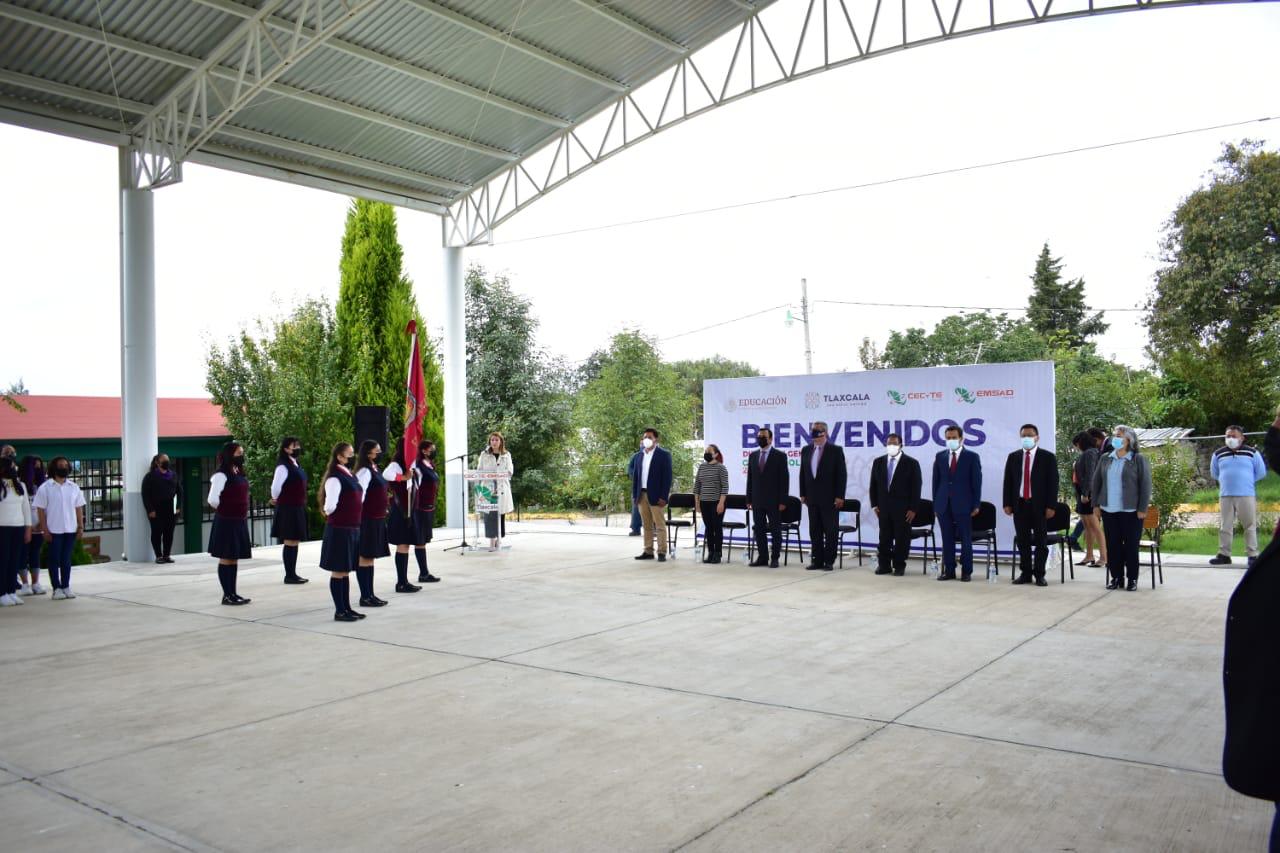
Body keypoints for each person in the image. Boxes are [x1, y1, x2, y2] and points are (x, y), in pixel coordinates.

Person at [1222, 403, 1280, 851]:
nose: (1274, 429)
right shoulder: (1221, 456)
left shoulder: (1250, 456)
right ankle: (1224, 552)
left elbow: (1264, 470)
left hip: (1245, 491)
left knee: (1249, 527)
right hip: (1225, 492)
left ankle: (1250, 552)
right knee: (1227, 527)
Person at [1090, 425, 1152, 592]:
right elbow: (1096, 483)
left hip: (1131, 511)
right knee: (1113, 546)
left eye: (1120, 436)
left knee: (1131, 547)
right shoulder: (1105, 458)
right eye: (1115, 435)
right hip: (1109, 510)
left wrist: (1142, 508)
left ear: (1129, 440)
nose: (1116, 438)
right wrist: (1095, 504)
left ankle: (1132, 579)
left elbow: (1145, 485)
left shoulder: (1138, 459)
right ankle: (1116, 578)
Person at [1002, 424, 1059, 587]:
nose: (1026, 438)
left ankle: (1040, 574)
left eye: (1030, 435)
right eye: (1024, 436)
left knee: (1041, 541)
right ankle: (1025, 573)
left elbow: (1053, 483)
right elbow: (1008, 482)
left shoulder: (1047, 457)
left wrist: (1051, 506)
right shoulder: (1013, 457)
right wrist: (1007, 503)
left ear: (1037, 437)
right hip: (1020, 504)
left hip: (1039, 505)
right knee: (1023, 541)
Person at [1209, 425, 1268, 568]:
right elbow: (1215, 473)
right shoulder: (1218, 454)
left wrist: (1246, 481)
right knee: (1225, 526)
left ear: (1242, 438)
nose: (1230, 439)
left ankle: (1252, 555)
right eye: (1228, 436)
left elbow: (1261, 472)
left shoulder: (1252, 453)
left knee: (1249, 525)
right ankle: (1224, 555)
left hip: (1246, 495)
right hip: (1226, 495)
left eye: (1233, 436)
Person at [318, 443, 365, 622]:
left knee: (345, 571)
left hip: (351, 528)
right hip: (339, 529)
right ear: (339, 456)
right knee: (338, 570)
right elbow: (330, 506)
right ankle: (340, 610)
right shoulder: (335, 478)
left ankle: (347, 608)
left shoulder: (349, 475)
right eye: (349, 454)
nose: (353, 457)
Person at [385, 440, 440, 585]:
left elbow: (416, 484)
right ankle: (402, 582)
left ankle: (409, 579)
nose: (415, 452)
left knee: (408, 543)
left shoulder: (412, 465)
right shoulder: (396, 464)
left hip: (412, 509)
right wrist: (403, 477)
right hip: (402, 510)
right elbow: (386, 474)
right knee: (403, 543)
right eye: (411, 449)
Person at [932, 424, 982, 581]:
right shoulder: (940, 456)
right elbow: (936, 482)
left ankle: (966, 571)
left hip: (964, 504)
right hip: (943, 504)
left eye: (954, 438)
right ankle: (949, 570)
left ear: (961, 439)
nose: (951, 440)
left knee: (966, 538)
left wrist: (976, 504)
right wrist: (935, 504)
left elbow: (977, 483)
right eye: (948, 438)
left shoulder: (972, 457)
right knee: (947, 538)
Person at [33, 455, 86, 600]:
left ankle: (66, 586)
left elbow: (79, 508)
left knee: (66, 560)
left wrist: (80, 527)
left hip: (70, 529)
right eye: (61, 465)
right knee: (54, 559)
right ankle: (56, 588)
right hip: (53, 530)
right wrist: (44, 529)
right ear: (54, 468)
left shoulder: (74, 487)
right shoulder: (45, 488)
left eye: (66, 465)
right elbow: (40, 510)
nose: (64, 468)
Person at [868, 433, 922, 576]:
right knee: (884, 537)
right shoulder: (878, 462)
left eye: (894, 443)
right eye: (889, 444)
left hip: (903, 509)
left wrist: (913, 508)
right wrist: (874, 505)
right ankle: (884, 565)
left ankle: (899, 565)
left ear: (901, 445)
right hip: (883, 508)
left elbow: (916, 488)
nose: (891, 446)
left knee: (901, 538)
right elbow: (873, 485)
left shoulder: (911, 463)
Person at [206, 442, 252, 605]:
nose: (241, 456)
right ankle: (227, 595)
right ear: (229, 455)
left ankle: (233, 593)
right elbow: (212, 499)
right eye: (239, 453)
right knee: (226, 558)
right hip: (226, 521)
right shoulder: (221, 475)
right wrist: (227, 508)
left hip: (238, 521)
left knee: (234, 558)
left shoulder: (238, 471)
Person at [800, 421, 847, 571]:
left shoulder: (835, 450)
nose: (815, 433)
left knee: (831, 531)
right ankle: (817, 560)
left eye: (818, 430)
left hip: (830, 498)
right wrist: (802, 493)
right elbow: (803, 473)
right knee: (815, 531)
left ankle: (829, 561)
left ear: (825, 433)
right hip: (811, 498)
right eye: (813, 430)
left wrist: (840, 496)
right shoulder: (806, 450)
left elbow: (841, 475)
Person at [353, 440, 390, 609]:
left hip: (377, 518)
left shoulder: (375, 468)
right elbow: (359, 495)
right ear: (368, 453)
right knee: (365, 556)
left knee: (371, 557)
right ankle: (365, 595)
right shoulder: (364, 471)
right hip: (367, 519)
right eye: (377, 451)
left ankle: (370, 594)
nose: (380, 453)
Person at [746, 426, 788, 568]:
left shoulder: (780, 456)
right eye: (759, 437)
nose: (760, 439)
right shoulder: (753, 456)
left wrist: (783, 500)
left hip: (774, 501)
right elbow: (750, 479)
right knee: (759, 530)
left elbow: (784, 480)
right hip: (757, 500)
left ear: (770, 439)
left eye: (763, 437)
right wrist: (749, 499)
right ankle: (762, 557)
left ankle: (775, 558)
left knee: (776, 530)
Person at [269, 436, 309, 584]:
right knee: (290, 540)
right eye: (294, 446)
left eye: (298, 445)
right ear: (286, 449)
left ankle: (293, 573)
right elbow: (275, 487)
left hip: (297, 506)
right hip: (288, 507)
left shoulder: (295, 464)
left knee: (295, 540)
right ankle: (289, 575)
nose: (297, 448)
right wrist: (275, 498)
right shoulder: (283, 466)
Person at [631, 428, 673, 562]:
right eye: (645, 437)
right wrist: (635, 496)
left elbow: (667, 478)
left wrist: (664, 497)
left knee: (659, 525)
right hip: (641, 495)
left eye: (649, 437)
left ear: (656, 439)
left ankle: (662, 552)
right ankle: (648, 550)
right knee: (646, 525)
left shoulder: (664, 455)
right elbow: (636, 478)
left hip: (656, 496)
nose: (646, 439)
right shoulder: (639, 456)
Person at [1070, 431, 1107, 568]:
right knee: (1087, 526)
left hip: (1089, 494)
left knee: (1095, 526)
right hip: (1082, 492)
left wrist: (1086, 493)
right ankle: (1089, 555)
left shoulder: (1091, 452)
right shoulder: (1087, 453)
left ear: (1081, 442)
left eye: (1076, 444)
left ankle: (1104, 557)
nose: (1076, 447)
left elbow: (1090, 474)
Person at [0, 455, 32, 607]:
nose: (13, 468)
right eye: (10, 466)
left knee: (14, 560)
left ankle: (11, 591)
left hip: (18, 526)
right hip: (2, 527)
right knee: (3, 560)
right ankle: (2, 593)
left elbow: (26, 508)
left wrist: (28, 528)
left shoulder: (20, 485)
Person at [476, 432, 514, 550]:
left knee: (500, 514)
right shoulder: (484, 454)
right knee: (490, 514)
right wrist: (486, 477)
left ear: (501, 442)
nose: (494, 442)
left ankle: (499, 539)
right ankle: (492, 542)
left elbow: (510, 471)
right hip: (488, 488)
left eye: (496, 440)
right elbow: (479, 470)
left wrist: (502, 474)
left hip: (501, 487)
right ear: (489, 442)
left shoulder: (506, 455)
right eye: (492, 440)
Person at [141, 452, 181, 564]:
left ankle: (166, 555)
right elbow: (145, 494)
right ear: (157, 463)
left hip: (171, 510)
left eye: (167, 460)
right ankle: (158, 556)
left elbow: (180, 492)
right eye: (164, 461)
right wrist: (150, 509)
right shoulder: (150, 477)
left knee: (169, 533)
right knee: (157, 533)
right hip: (156, 510)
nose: (166, 462)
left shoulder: (173, 475)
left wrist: (178, 506)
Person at [694, 444, 729, 564]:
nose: (707, 453)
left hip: (717, 502)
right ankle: (710, 552)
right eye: (706, 451)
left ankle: (717, 553)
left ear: (716, 454)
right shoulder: (702, 467)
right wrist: (697, 503)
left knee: (717, 528)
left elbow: (725, 487)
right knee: (708, 528)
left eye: (710, 451)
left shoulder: (721, 468)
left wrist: (721, 503)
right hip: (704, 502)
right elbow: (697, 486)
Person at [18, 455, 46, 596]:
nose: (37, 470)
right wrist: (27, 526)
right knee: (22, 555)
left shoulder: (43, 487)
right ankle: (24, 584)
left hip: (38, 528)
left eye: (39, 467)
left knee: (35, 555)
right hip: (23, 527)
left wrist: (42, 523)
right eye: (34, 467)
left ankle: (35, 583)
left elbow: (46, 507)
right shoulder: (19, 485)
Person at [626, 449, 642, 536]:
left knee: (652, 509)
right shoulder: (636, 456)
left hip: (651, 487)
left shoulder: (655, 456)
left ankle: (654, 529)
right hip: (637, 487)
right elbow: (630, 468)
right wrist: (635, 476)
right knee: (636, 509)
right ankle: (635, 529)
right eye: (641, 443)